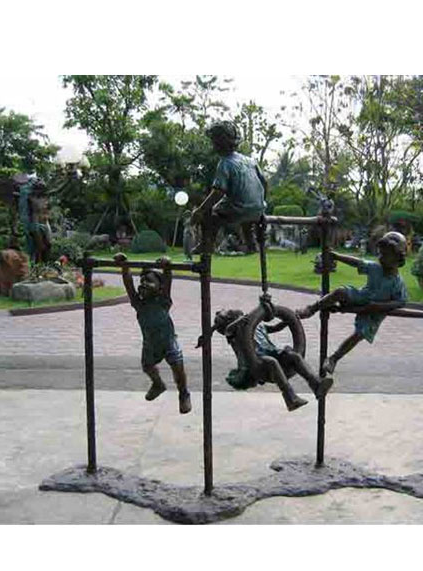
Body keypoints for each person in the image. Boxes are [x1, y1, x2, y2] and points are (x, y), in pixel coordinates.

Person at [297, 231, 409, 374]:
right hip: (363, 296)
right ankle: (312, 308)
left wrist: (379, 306)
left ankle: (333, 359)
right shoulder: (375, 268)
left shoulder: (397, 283)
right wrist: (336, 256)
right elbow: (357, 263)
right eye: (380, 253)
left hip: (373, 313)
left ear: (398, 258)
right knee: (340, 292)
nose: (380, 258)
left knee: (359, 334)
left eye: (385, 255)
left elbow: (401, 302)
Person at [198, 309, 333, 412]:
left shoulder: (257, 325)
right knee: (270, 361)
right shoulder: (235, 332)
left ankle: (316, 385)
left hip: (272, 352)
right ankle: (290, 398)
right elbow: (228, 330)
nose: (231, 310)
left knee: (294, 356)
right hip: (254, 363)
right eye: (227, 313)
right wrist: (240, 321)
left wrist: (289, 319)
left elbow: (275, 328)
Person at [114, 253, 191, 414]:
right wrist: (124, 267)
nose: (143, 284)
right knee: (147, 366)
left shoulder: (163, 301)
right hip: (150, 344)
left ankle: (183, 393)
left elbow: (168, 280)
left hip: (169, 342)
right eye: (141, 281)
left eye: (148, 281)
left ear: (160, 287)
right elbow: (129, 284)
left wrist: (167, 266)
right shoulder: (138, 304)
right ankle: (158, 384)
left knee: (178, 369)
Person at [190, 120, 267, 253]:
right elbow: (264, 182)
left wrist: (200, 210)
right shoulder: (250, 161)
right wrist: (260, 202)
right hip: (257, 209)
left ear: (219, 142)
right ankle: (251, 243)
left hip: (240, 209)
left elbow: (218, 192)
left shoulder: (225, 163)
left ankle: (207, 244)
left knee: (211, 213)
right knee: (244, 212)